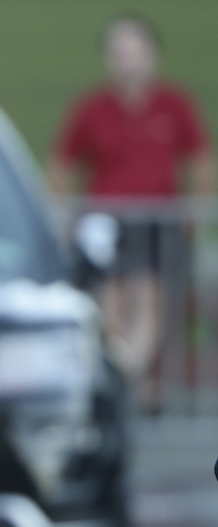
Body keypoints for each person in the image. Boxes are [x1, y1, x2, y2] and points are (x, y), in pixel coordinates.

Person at [47, 13, 213, 412]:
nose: (129, 62)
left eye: (136, 52)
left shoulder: (173, 104)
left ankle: (123, 383)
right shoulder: (92, 108)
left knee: (150, 298)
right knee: (112, 304)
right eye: (121, 53)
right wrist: (64, 217)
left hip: (158, 223)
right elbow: (61, 163)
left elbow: (201, 160)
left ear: (152, 55)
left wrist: (193, 213)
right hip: (107, 222)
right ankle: (124, 382)